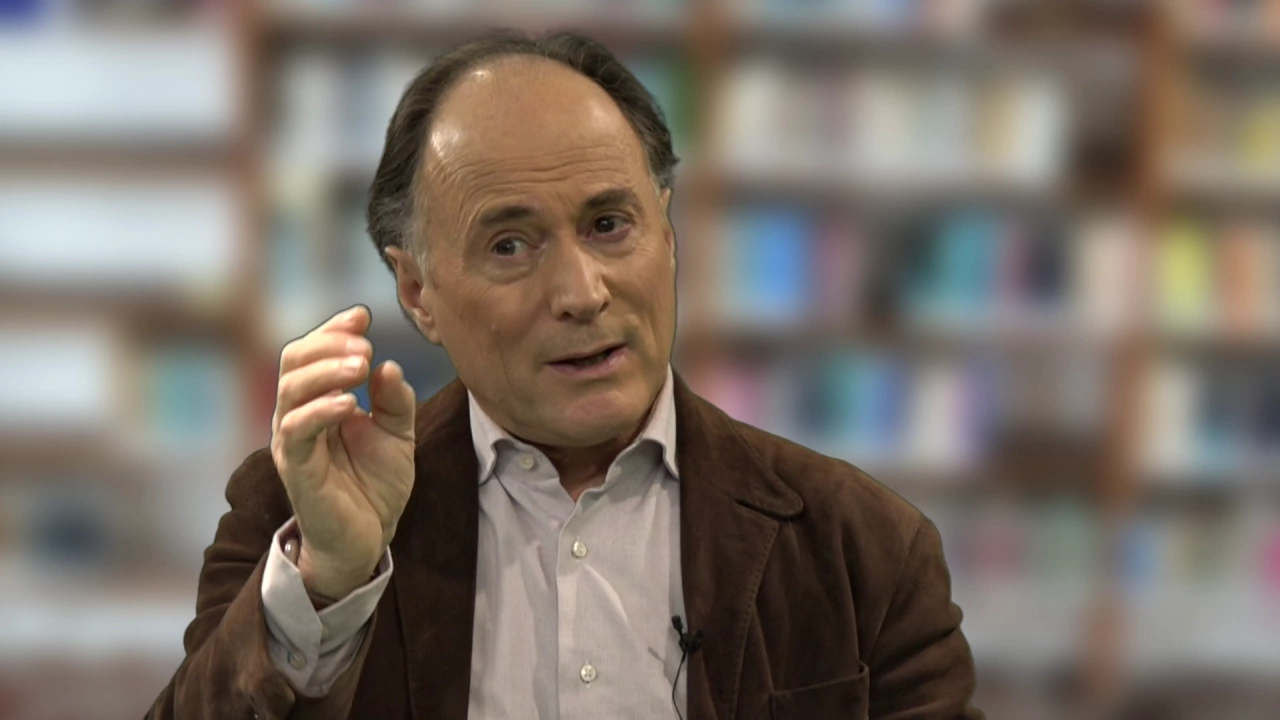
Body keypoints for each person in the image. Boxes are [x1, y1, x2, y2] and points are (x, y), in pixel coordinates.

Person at [147, 31, 983, 720]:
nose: (582, 294)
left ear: (669, 235)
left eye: (610, 224)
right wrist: (330, 584)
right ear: (418, 291)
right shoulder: (291, 517)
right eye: (510, 245)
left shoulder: (863, 546)